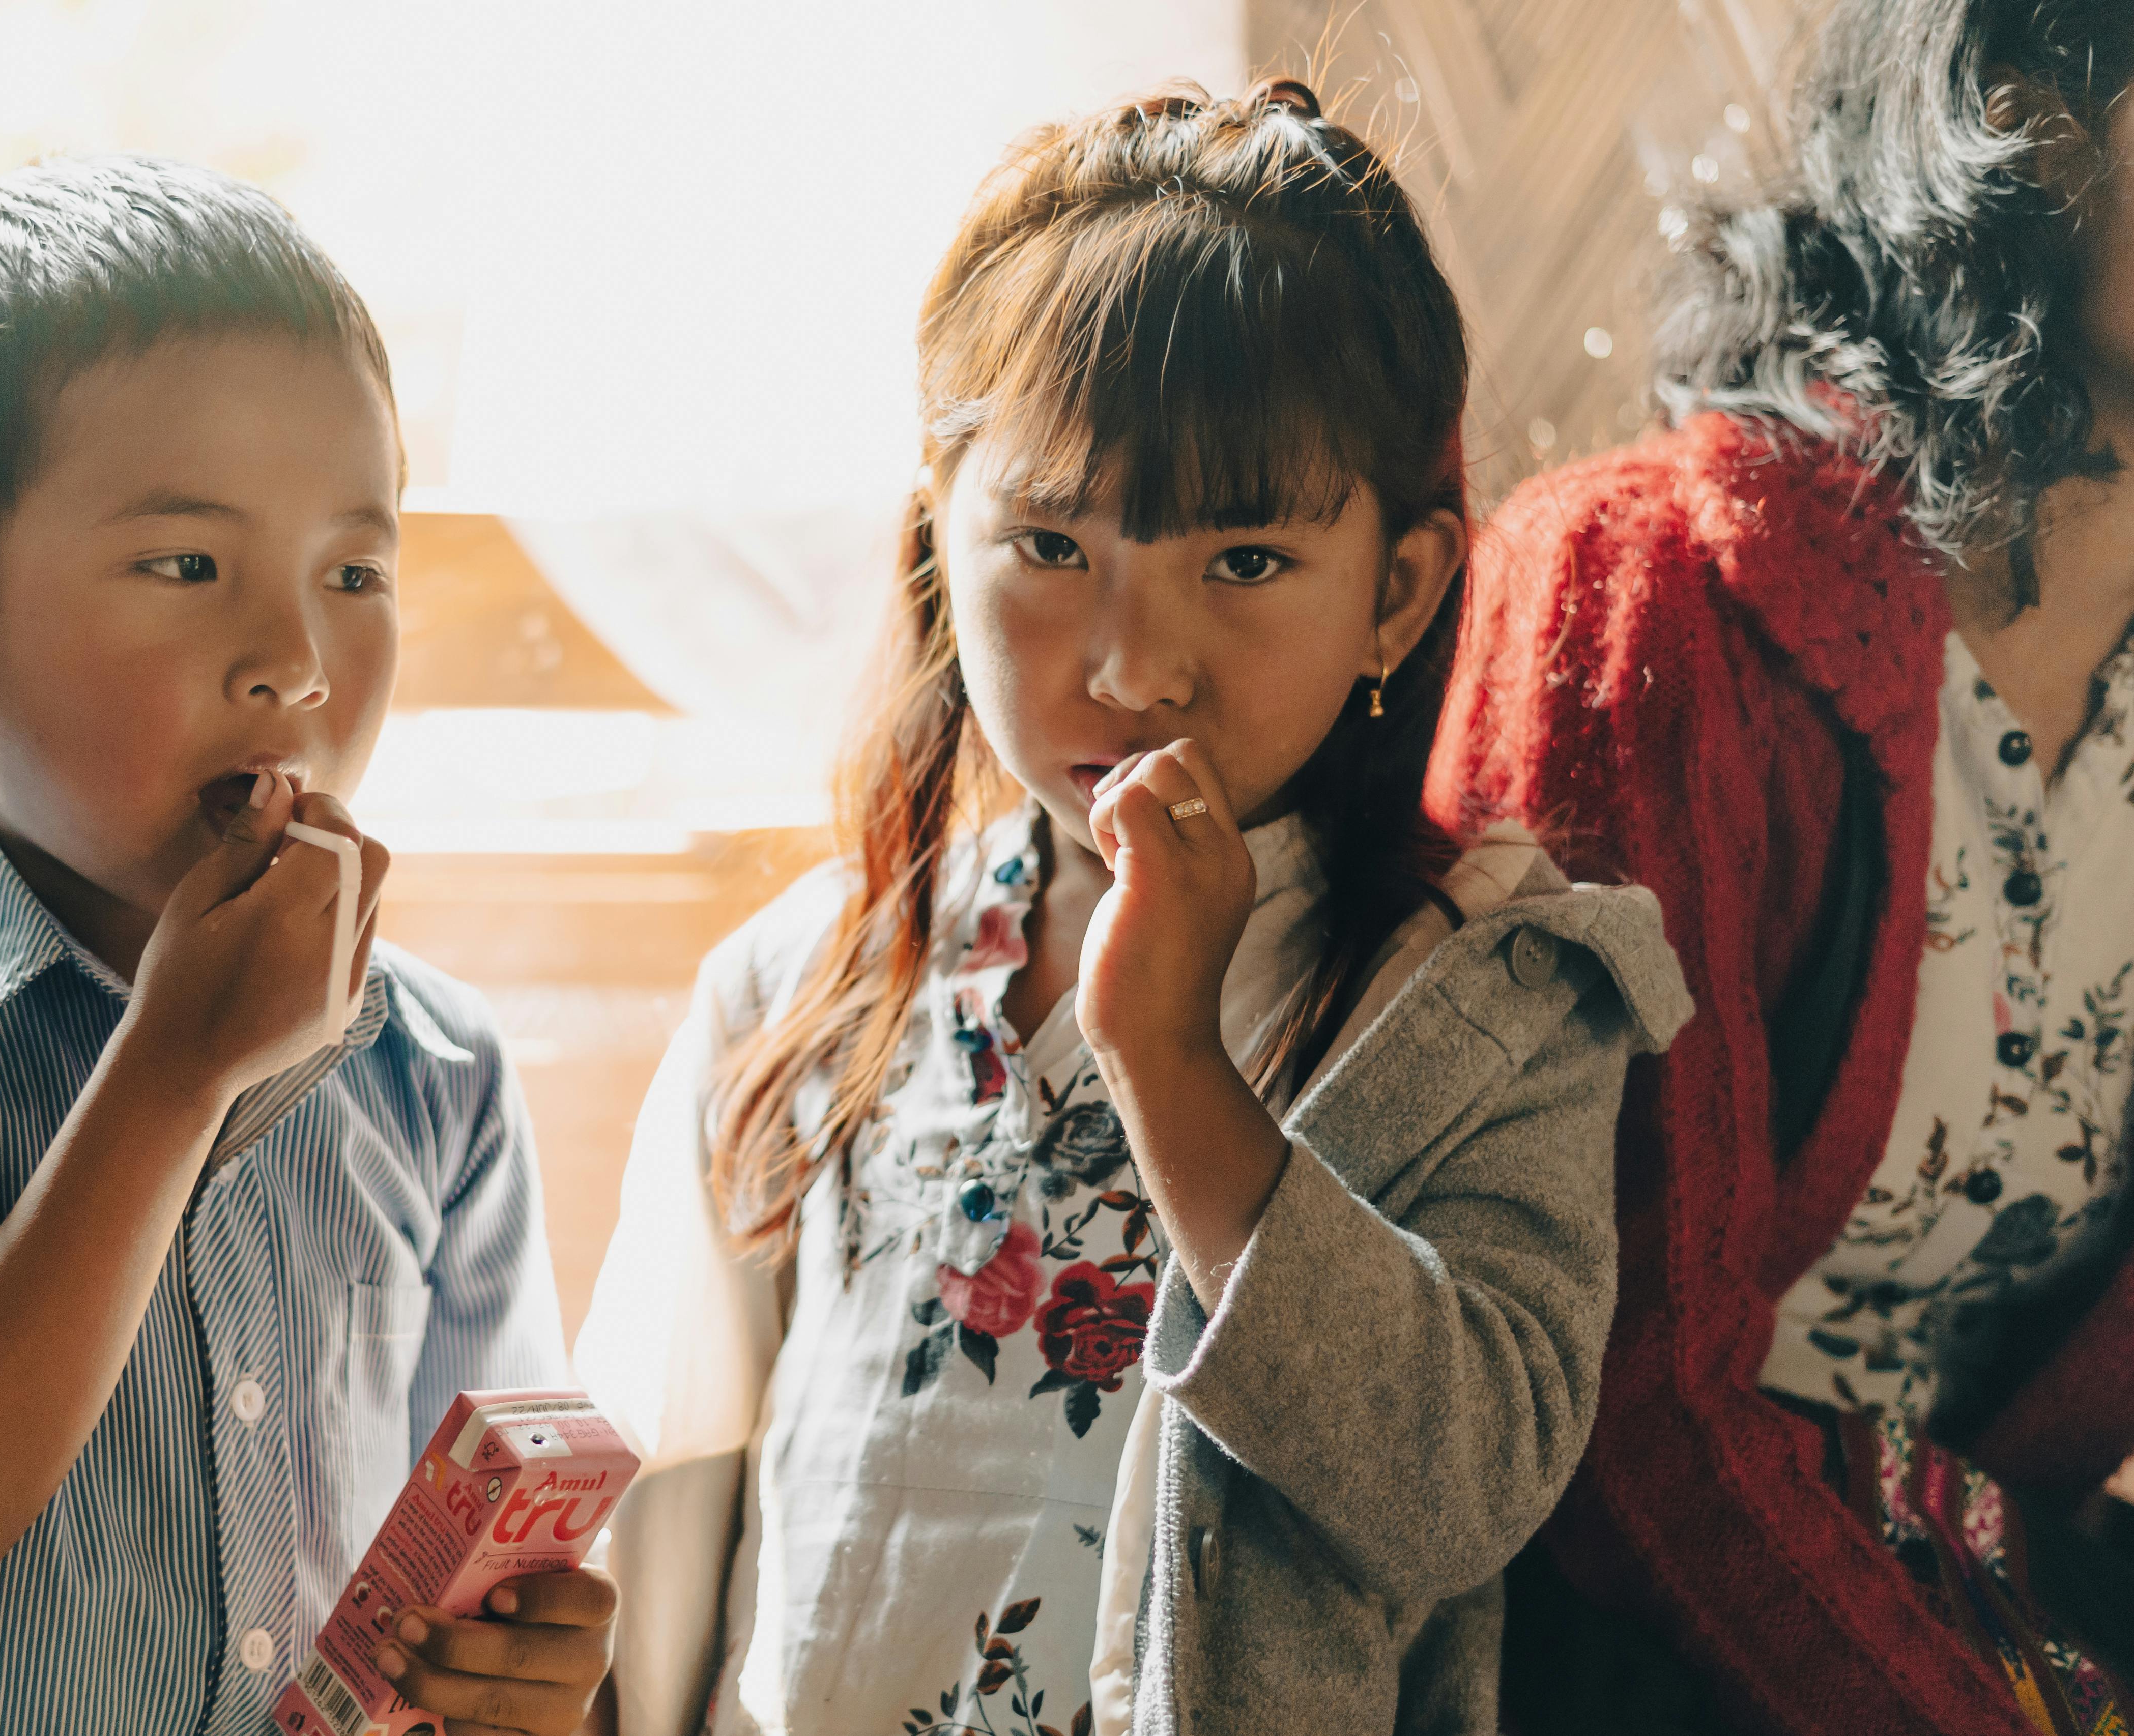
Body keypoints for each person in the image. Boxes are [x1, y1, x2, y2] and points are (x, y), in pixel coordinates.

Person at [574, 80, 1689, 1736]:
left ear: (1396, 587)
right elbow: (653, 1493)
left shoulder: (1484, 1002)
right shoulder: (807, 978)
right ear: (935, 538)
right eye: (1046, 541)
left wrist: (1169, 1063)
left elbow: (1461, 1483)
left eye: (1240, 562)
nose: (1131, 665)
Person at [0, 156, 611, 1736]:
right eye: (187, 566)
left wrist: (529, 1672)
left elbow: (477, 1562)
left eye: (354, 573)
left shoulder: (436, 1064)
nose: (295, 662)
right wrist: (176, 1065)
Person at [1438, 3, 2134, 1731]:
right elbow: (1616, 1419)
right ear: (2032, 122)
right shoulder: (1639, 597)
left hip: (1988, 1586)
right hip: (1622, 1651)